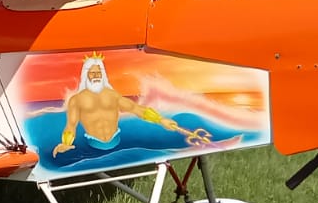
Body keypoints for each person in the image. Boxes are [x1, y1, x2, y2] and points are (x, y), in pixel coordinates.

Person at [51, 54, 213, 156]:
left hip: (116, 141)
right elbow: (71, 125)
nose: (95, 76)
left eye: (98, 72)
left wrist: (161, 120)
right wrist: (66, 143)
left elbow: (136, 109)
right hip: (93, 144)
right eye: (92, 73)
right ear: (86, 75)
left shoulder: (112, 96)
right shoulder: (77, 100)